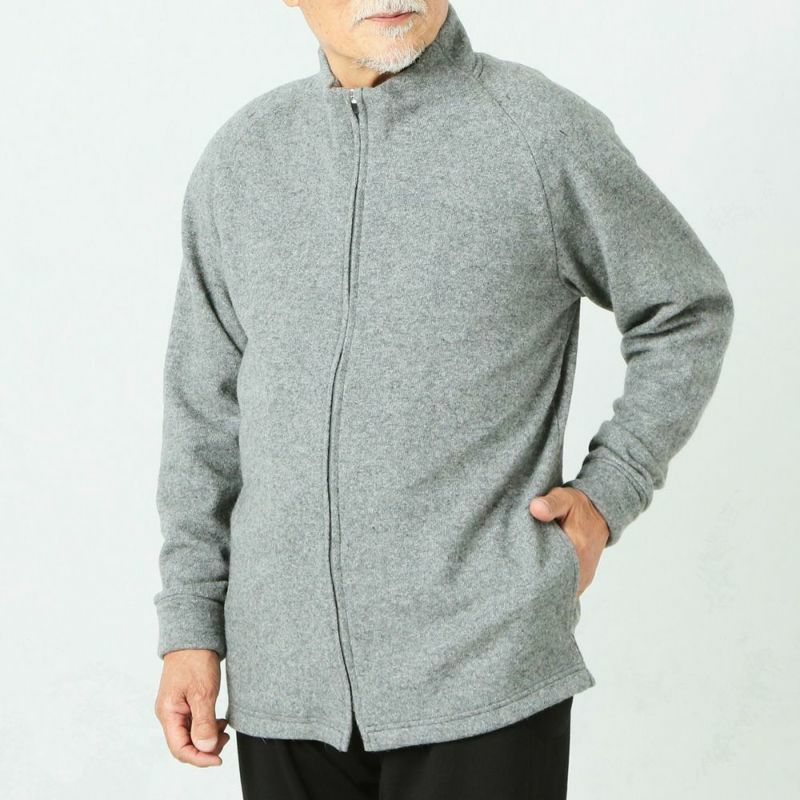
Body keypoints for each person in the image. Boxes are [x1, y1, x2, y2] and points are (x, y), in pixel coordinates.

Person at [152, 2, 735, 797]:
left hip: (482, 668)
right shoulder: (245, 159)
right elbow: (203, 411)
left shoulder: (538, 132)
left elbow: (685, 309)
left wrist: (611, 490)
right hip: (282, 681)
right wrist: (190, 625)